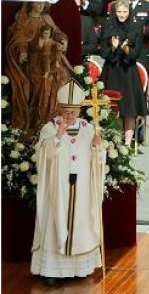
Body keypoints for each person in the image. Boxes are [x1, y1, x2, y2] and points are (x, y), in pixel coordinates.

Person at [31, 79, 104, 283]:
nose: (69, 116)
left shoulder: (88, 129)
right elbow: (43, 154)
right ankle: (52, 271)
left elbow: (97, 160)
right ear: (60, 109)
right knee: (56, 221)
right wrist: (58, 136)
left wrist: (97, 148)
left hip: (81, 188)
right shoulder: (50, 128)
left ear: (80, 110)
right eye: (65, 112)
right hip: (58, 186)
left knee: (80, 224)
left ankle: (79, 269)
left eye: (73, 112)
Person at [5, 1, 71, 131]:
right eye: (38, 3)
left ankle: (55, 118)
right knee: (42, 81)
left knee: (62, 75)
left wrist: (62, 40)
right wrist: (22, 52)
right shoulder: (24, 20)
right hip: (33, 60)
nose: (41, 6)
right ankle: (38, 120)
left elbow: (57, 33)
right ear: (31, 4)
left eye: (43, 3)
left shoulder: (46, 18)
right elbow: (19, 41)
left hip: (50, 58)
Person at [100, 0, 148, 146]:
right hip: (112, 70)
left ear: (129, 12)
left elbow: (135, 54)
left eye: (124, 12)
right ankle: (112, 139)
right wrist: (114, 48)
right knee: (111, 107)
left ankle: (127, 143)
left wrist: (125, 48)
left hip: (128, 72)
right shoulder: (108, 26)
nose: (122, 15)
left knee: (129, 109)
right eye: (119, 12)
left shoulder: (136, 27)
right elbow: (103, 53)